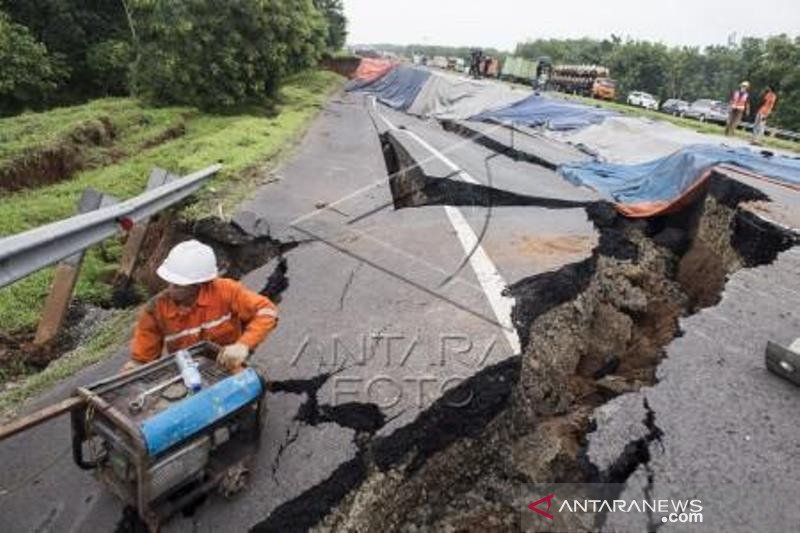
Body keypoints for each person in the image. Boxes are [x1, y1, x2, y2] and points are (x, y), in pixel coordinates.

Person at [121, 240, 278, 372]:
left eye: (179, 284)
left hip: (228, 364)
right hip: (186, 372)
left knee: (247, 391)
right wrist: (133, 369)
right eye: (170, 281)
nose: (171, 288)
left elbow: (267, 311)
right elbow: (142, 359)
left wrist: (243, 345)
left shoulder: (226, 291)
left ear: (199, 284)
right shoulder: (154, 310)